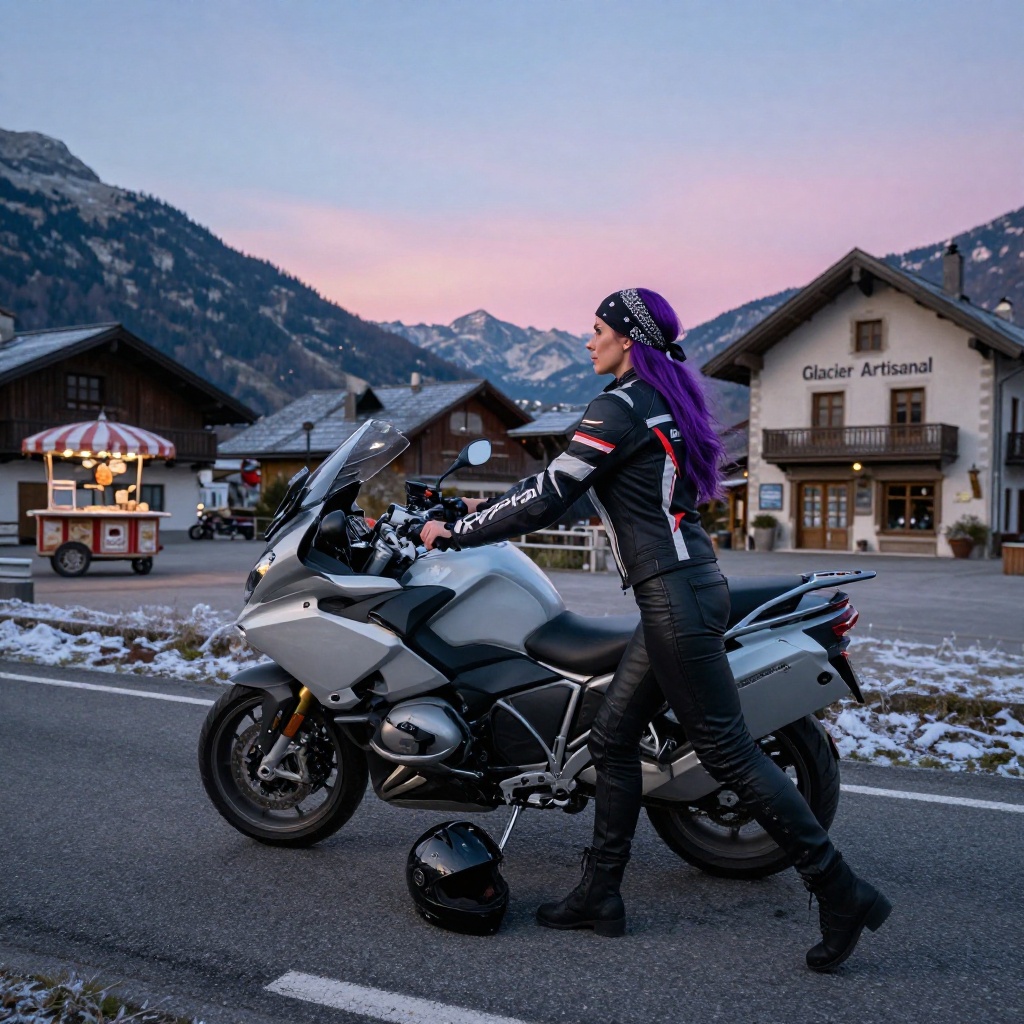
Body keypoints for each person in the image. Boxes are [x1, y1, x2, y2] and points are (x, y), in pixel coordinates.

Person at [420, 288, 891, 971]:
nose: (589, 342)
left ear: (627, 340)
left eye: (597, 331)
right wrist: (477, 504)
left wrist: (454, 532)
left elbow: (553, 491)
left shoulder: (616, 405)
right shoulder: (657, 403)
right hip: (685, 591)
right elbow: (583, 486)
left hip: (675, 600)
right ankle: (599, 894)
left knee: (729, 754)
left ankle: (841, 890)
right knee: (612, 736)